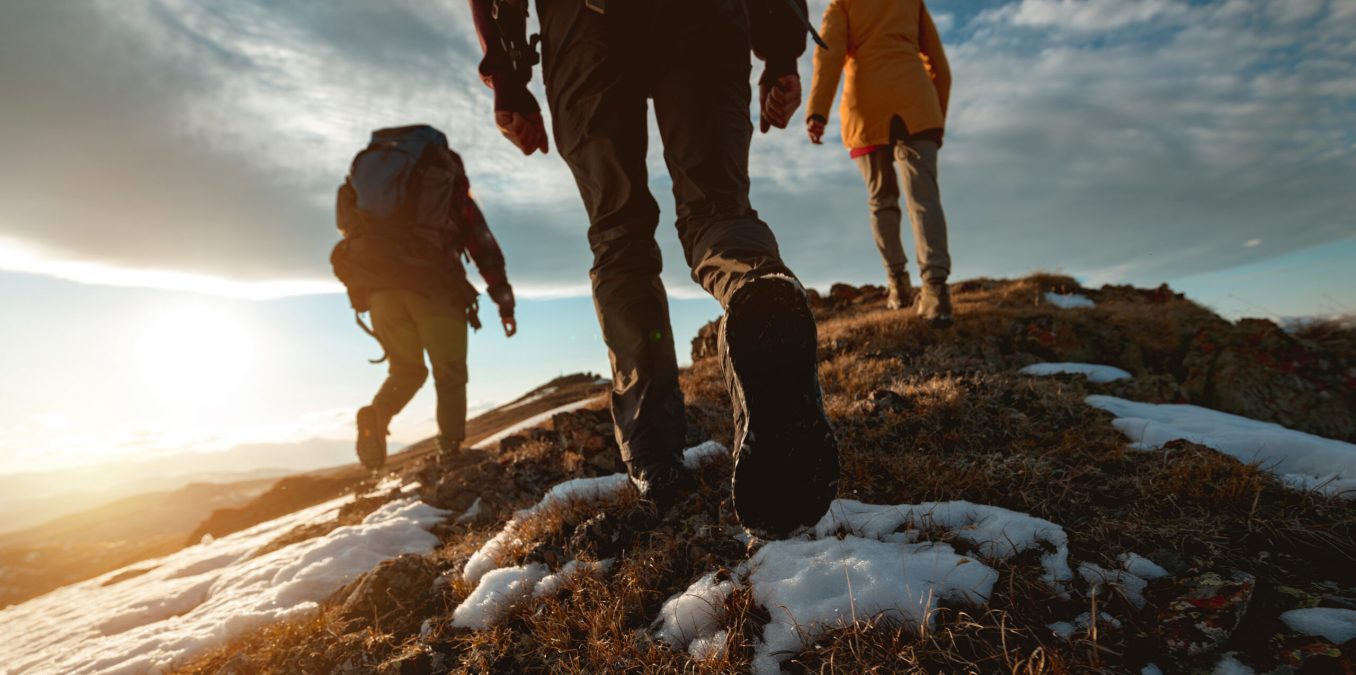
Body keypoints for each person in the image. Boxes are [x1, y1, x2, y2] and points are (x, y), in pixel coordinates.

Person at [469, 0, 839, 536]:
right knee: (718, 208)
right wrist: (780, 49)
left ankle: (654, 457)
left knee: (619, 232)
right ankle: (756, 289)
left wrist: (506, 74)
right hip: (707, 18)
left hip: (580, 25)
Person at [332, 125, 517, 472]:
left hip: (381, 293)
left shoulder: (370, 190)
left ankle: (377, 414)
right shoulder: (448, 193)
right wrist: (504, 302)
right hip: (434, 289)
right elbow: (484, 247)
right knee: (449, 375)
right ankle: (450, 453)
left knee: (407, 370)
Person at [805, 0, 955, 326]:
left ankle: (898, 286)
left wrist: (818, 110)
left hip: (867, 104)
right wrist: (935, 115)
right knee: (924, 196)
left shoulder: (842, 4)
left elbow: (829, 53)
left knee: (881, 199)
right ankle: (935, 289)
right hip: (918, 103)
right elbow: (940, 65)